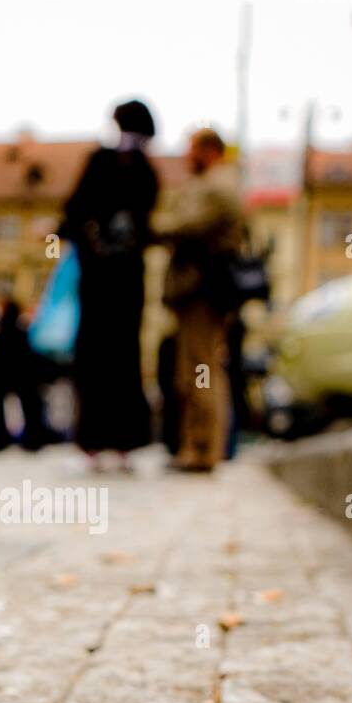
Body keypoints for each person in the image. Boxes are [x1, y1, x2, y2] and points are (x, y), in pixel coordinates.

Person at [60, 100, 159, 470]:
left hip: (107, 279)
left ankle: (100, 444)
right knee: (117, 360)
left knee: (102, 360)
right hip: (121, 280)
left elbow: (75, 211)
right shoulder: (143, 169)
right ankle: (117, 445)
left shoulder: (108, 164)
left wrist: (62, 233)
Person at [156, 128, 246, 471]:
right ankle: (196, 446)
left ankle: (204, 449)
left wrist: (155, 226)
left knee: (201, 371)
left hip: (202, 291)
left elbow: (187, 225)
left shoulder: (217, 185)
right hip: (199, 291)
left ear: (208, 150)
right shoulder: (217, 182)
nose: (185, 156)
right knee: (196, 370)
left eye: (191, 149)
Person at [0, 297, 45, 451]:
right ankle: (34, 439)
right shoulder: (24, 334)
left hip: (1, 378)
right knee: (31, 404)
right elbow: (31, 359)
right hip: (22, 377)